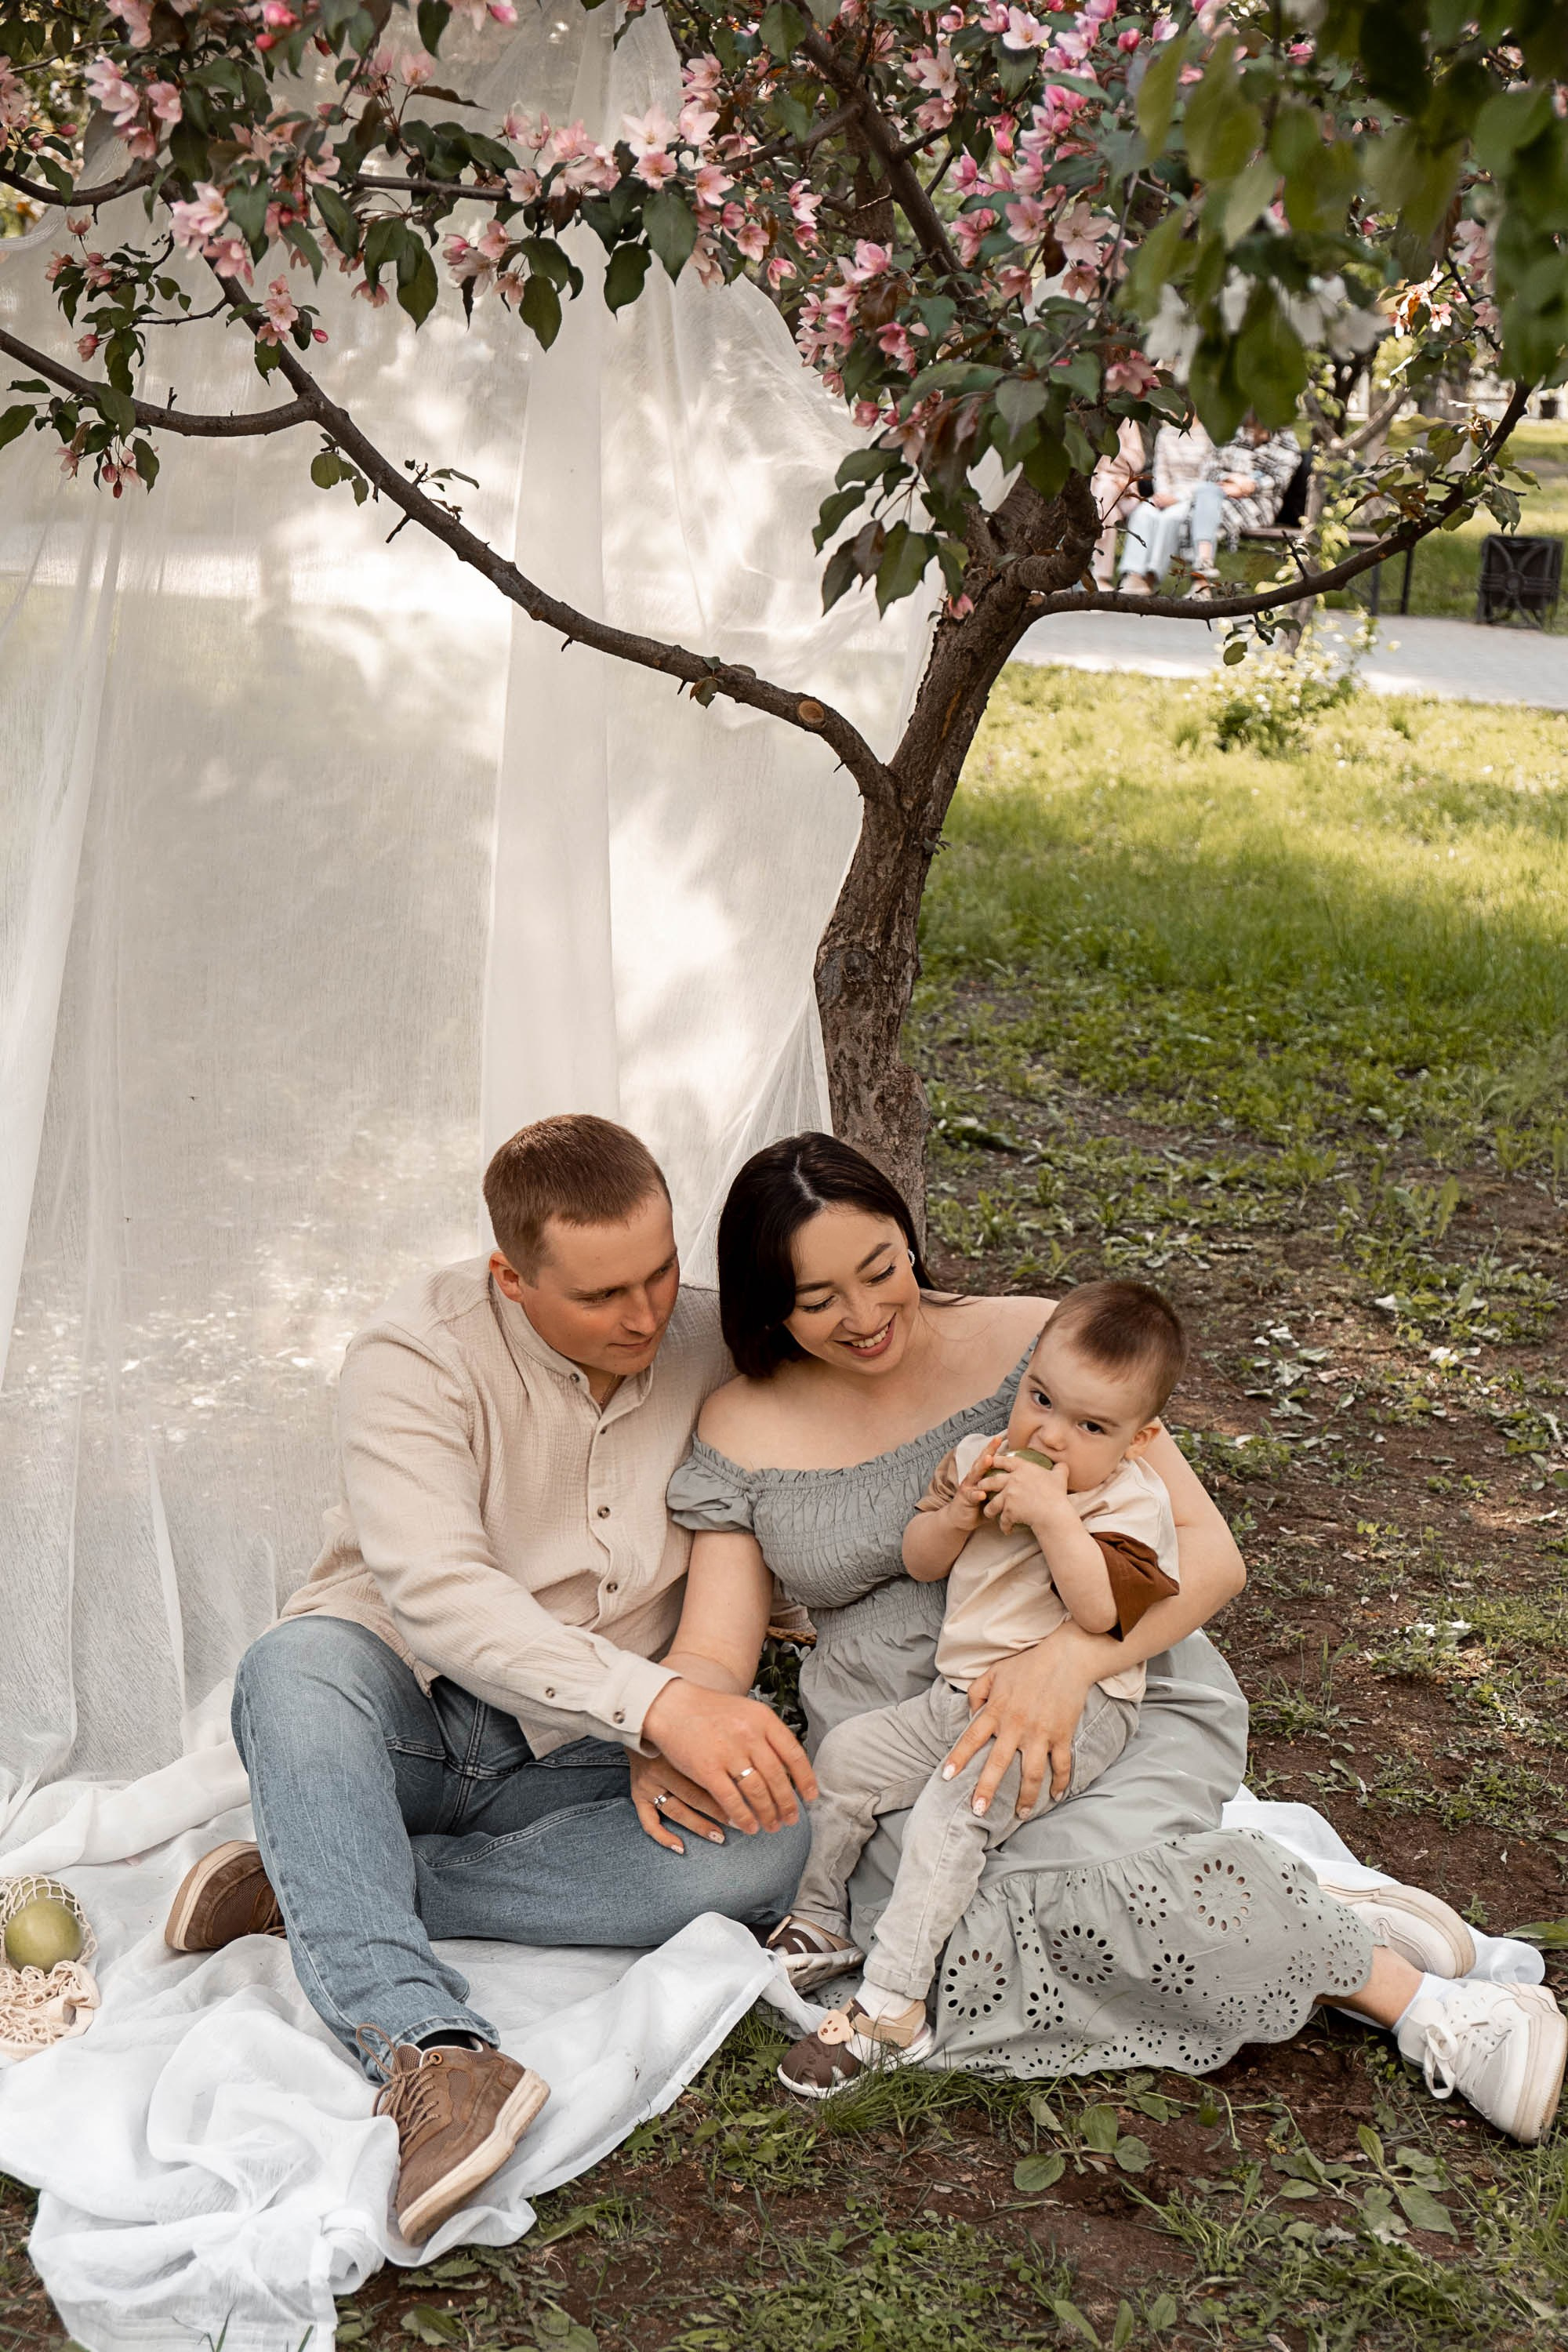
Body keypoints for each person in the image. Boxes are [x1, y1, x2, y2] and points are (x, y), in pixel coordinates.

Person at [664, 1132, 1566, 2144]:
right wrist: (662, 1726)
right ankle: (1311, 1898)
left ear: (910, 1242)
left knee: (1047, 1903)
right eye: (819, 1298)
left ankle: (1435, 2008)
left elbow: (1208, 1558)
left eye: (883, 1270)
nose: (867, 1316)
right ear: (765, 1301)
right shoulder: (738, 1428)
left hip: (1103, 1682)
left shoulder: (1043, 1350)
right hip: (909, 1720)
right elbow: (716, 1646)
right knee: (940, 1942)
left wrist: (1069, 1662)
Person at [160, 1114, 816, 2243]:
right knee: (291, 1667)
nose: (646, 1314)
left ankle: (312, 1884)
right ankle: (439, 2055)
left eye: (661, 1272)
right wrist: (662, 1704)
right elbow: (443, 1599)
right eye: (603, 1294)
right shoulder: (413, 1354)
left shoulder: (714, 1350)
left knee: (768, 1843)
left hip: (584, 1763)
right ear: (511, 1277)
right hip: (408, 1711)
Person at [769, 1280, 1186, 2095]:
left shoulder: (1128, 1502)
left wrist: (1055, 1517)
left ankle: (892, 2007)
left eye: (1090, 1427)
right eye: (1040, 1399)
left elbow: (1101, 1612)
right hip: (960, 1691)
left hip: (1071, 1708)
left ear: (1140, 1440)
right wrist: (957, 1514)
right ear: (1025, 1376)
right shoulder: (977, 1458)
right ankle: (821, 1919)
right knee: (848, 1758)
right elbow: (923, 1558)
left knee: (948, 1819)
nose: (1051, 1436)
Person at [1116, 419, 1220, 595]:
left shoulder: (1208, 435)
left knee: (1170, 518)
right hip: (1165, 493)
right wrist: (1162, 494)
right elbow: (1161, 470)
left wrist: (1177, 497)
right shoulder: (1166, 434)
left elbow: (1207, 478)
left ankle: (1152, 574)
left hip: (1191, 496)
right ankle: (1133, 574)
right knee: (1143, 513)